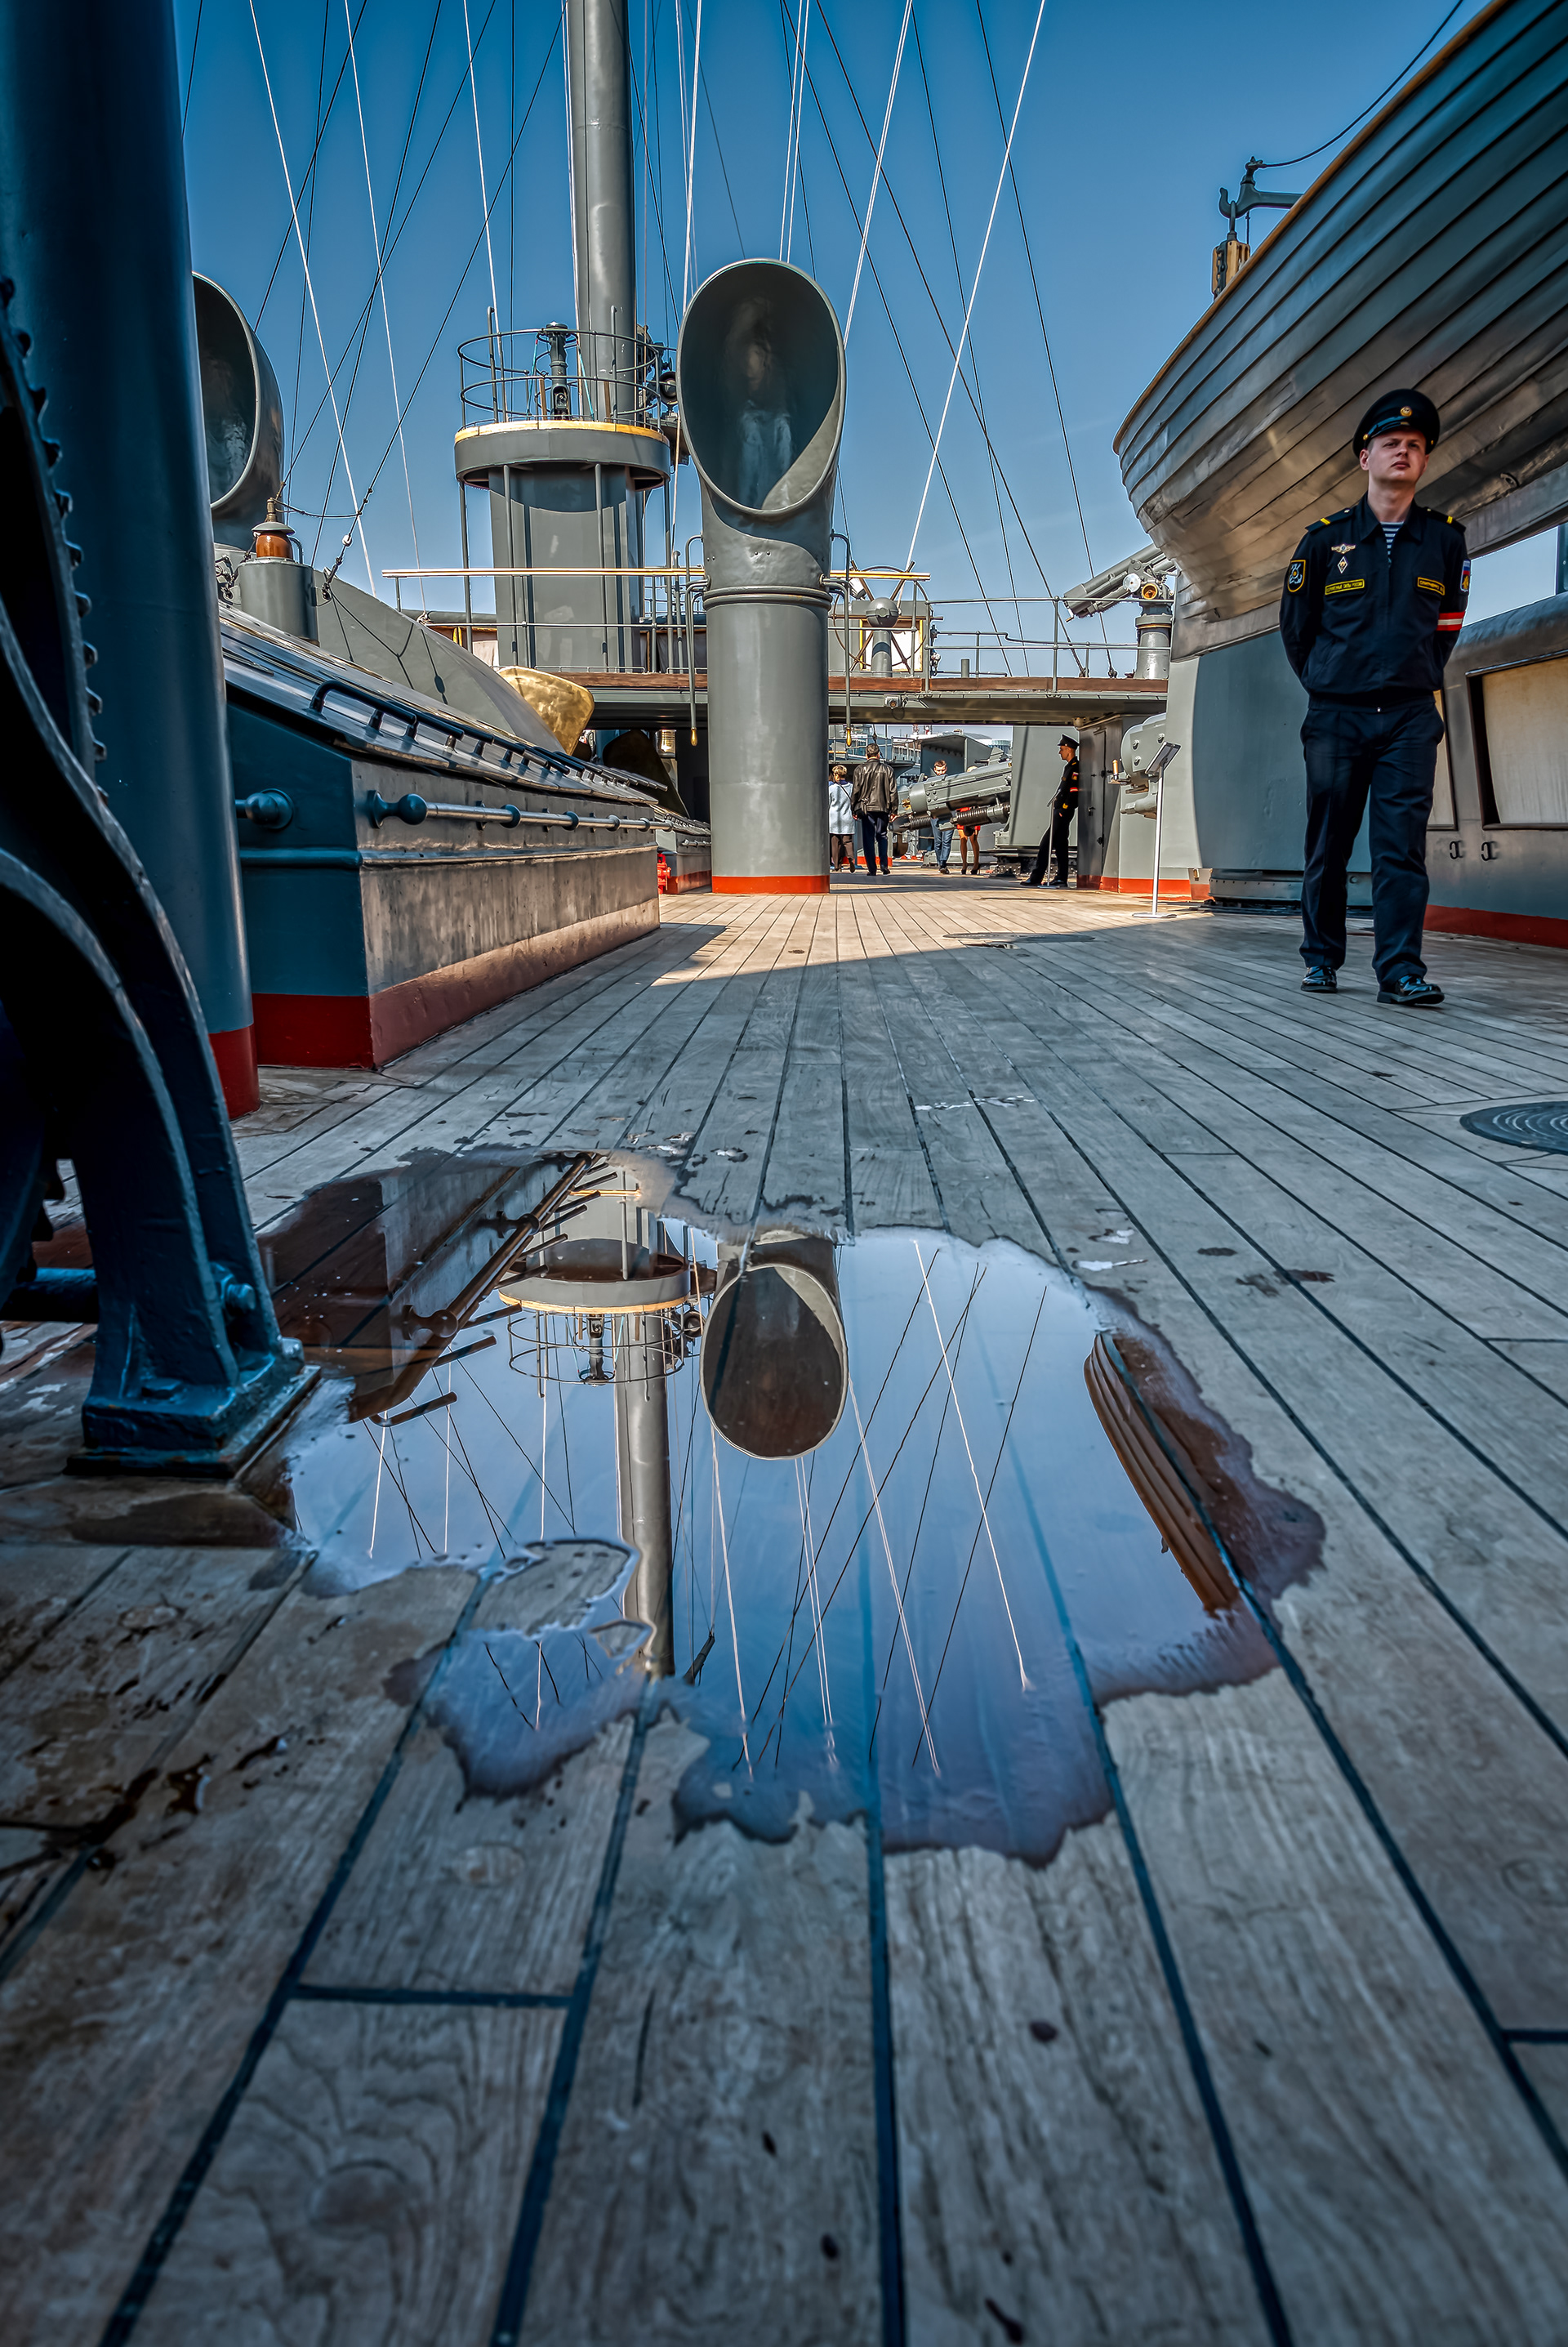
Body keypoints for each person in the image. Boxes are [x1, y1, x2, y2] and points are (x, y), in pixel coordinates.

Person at [1280, 387, 1468, 1006]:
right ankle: (1322, 958)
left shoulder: (1444, 540)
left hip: (1410, 717)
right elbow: (1297, 628)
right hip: (1337, 714)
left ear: (1424, 460)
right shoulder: (1323, 542)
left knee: (1401, 849)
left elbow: (1448, 625)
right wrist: (1331, 681)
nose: (1403, 452)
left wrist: (1412, 677)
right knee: (1329, 841)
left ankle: (1400, 971)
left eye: (1414, 446)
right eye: (1391, 444)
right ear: (1365, 458)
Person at [1021, 736, 1080, 886]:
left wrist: (1064, 809)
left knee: (1045, 844)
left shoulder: (1074, 768)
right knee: (1061, 846)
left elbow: (1073, 792)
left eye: (1062, 749)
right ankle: (1061, 878)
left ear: (1069, 749)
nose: (1060, 753)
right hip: (1060, 811)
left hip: (1063, 812)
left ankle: (1036, 878)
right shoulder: (1069, 767)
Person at [852, 740, 898, 877]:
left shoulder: (859, 770)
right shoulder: (888, 770)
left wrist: (854, 808)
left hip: (866, 809)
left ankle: (872, 869)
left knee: (868, 838)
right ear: (878, 755)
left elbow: (856, 791)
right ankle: (884, 866)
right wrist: (894, 809)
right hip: (883, 807)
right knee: (882, 835)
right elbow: (893, 791)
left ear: (867, 755)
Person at [927, 758, 954, 871]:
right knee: (938, 842)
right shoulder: (929, 782)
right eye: (938, 770)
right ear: (935, 769)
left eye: (942, 770)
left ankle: (943, 863)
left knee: (946, 841)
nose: (940, 773)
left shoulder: (950, 781)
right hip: (936, 816)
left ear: (946, 769)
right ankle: (940, 863)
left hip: (949, 815)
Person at [827, 761, 854, 872]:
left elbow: (828, 803)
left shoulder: (832, 789)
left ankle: (837, 866)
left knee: (836, 843)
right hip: (847, 817)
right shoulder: (851, 787)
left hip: (834, 818)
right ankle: (851, 858)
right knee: (847, 841)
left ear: (837, 775)